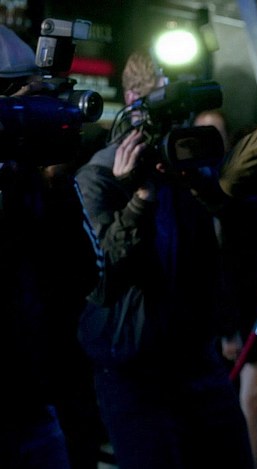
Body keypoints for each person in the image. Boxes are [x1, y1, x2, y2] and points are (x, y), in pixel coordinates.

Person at [74, 49, 254, 469]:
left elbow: (240, 241)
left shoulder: (186, 168)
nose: (171, 120)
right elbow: (103, 277)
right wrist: (138, 198)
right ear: (132, 99)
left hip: (198, 361)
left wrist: (209, 188)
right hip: (135, 372)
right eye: (161, 105)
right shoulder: (98, 176)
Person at [0, 24, 103, 469]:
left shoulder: (38, 181)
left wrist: (54, 184)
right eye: (24, 99)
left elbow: (85, 274)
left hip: (39, 402)